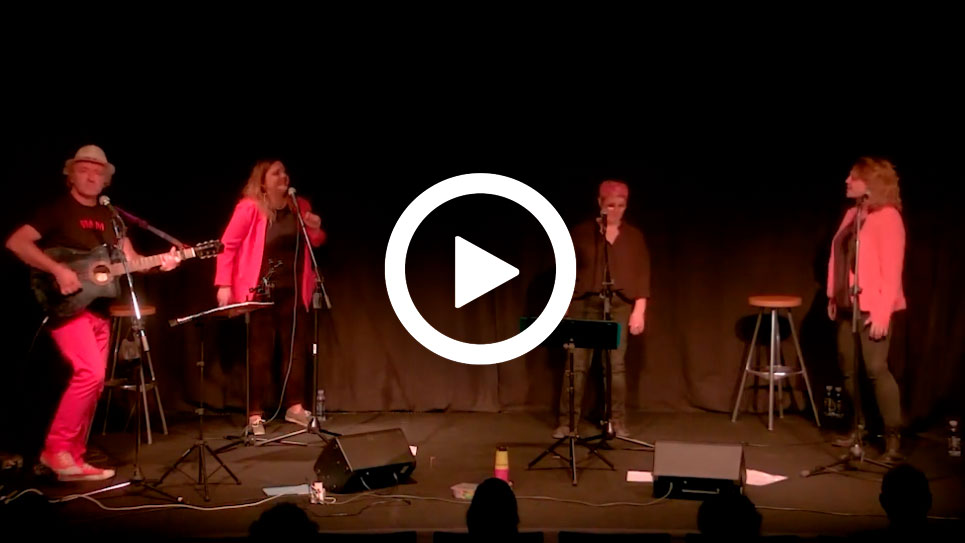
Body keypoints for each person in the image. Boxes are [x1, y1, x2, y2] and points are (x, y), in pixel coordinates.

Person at [5, 145, 180, 481]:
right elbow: (17, 242)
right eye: (84, 169)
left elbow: (132, 262)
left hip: (99, 308)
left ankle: (74, 456)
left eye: (98, 172)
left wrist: (164, 263)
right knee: (91, 374)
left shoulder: (111, 218)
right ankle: (56, 450)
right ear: (70, 174)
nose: (91, 176)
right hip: (68, 306)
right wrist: (58, 270)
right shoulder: (57, 210)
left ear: (106, 180)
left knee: (95, 383)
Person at [215, 159, 325, 435]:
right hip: (260, 290)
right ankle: (255, 415)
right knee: (260, 354)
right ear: (262, 181)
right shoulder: (250, 208)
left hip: (294, 289)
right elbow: (227, 245)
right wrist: (224, 283)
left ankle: (295, 407)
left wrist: (314, 226)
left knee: (295, 351)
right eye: (276, 173)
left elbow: (316, 241)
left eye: (285, 172)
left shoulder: (299, 205)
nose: (283, 176)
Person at [554, 179, 650, 439]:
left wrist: (639, 310)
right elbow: (566, 272)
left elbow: (642, 274)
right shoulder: (581, 234)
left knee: (615, 367)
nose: (615, 210)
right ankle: (568, 423)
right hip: (584, 304)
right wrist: (563, 306)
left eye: (621, 205)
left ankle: (616, 421)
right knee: (576, 366)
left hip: (618, 304)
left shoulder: (634, 237)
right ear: (600, 203)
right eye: (610, 205)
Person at [826, 157, 906, 461]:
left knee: (875, 369)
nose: (847, 181)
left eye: (853, 177)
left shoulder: (888, 218)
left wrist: (883, 312)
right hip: (848, 305)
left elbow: (892, 270)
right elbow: (839, 257)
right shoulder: (852, 214)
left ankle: (893, 440)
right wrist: (834, 296)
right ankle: (857, 429)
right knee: (848, 368)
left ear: (870, 184)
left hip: (873, 307)